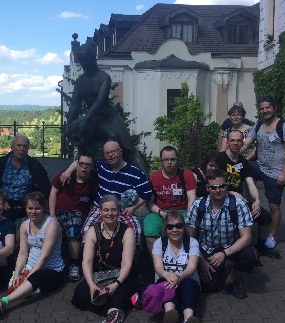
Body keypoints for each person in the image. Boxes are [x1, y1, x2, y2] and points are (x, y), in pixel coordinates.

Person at [66, 42, 146, 171]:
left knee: (128, 147)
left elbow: (100, 100)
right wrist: (69, 127)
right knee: (111, 136)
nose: (84, 64)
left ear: (93, 58)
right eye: (81, 61)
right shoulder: (80, 82)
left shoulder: (104, 77)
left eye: (86, 60)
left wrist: (86, 118)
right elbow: (74, 106)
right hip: (94, 119)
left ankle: (145, 178)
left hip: (109, 117)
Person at [61, 140, 152, 245]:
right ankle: (91, 255)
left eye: (113, 152)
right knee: (87, 230)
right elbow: (82, 162)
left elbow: (146, 192)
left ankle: (130, 256)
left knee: (136, 232)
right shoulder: (101, 167)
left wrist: (133, 208)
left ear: (120, 151)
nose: (110, 155)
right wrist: (68, 171)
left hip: (122, 211)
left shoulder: (135, 173)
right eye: (107, 153)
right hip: (99, 209)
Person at [0, 192, 65, 317]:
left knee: (34, 279)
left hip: (51, 270)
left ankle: (3, 302)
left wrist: (28, 277)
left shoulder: (52, 225)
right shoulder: (25, 225)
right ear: (25, 208)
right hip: (30, 267)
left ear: (44, 208)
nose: (33, 212)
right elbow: (23, 252)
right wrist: (17, 273)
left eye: (37, 208)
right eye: (30, 208)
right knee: (7, 277)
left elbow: (44, 257)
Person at [71, 195, 137, 323]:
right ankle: (118, 310)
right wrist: (91, 284)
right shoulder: (93, 230)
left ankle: (111, 318)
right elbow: (87, 261)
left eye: (114, 210)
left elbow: (127, 263)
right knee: (80, 294)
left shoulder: (128, 231)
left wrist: (116, 284)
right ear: (100, 212)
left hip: (122, 275)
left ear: (119, 211)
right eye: (106, 210)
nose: (110, 213)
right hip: (100, 276)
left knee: (117, 294)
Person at [185, 169, 257, 299]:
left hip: (230, 245)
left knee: (250, 255)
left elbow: (247, 237)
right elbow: (190, 237)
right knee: (211, 286)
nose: (218, 190)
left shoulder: (238, 204)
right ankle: (217, 269)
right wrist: (201, 260)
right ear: (207, 188)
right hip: (207, 248)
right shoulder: (197, 205)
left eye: (222, 186)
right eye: (213, 187)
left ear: (227, 186)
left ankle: (232, 280)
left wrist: (224, 254)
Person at [241, 96, 285, 257]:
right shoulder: (258, 126)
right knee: (240, 169)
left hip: (275, 172)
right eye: (262, 108)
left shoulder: (284, 127)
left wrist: (283, 174)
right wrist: (230, 154)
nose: (264, 111)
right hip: (260, 166)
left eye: (267, 108)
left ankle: (272, 235)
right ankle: (246, 200)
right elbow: (247, 143)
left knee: (273, 206)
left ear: (274, 108)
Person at [220, 130, 276, 258]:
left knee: (265, 216)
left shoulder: (243, 162)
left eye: (238, 141)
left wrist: (257, 200)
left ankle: (261, 246)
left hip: (240, 200)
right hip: (220, 198)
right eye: (232, 140)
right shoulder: (220, 159)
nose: (235, 143)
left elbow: (251, 184)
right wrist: (231, 192)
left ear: (242, 143)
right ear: (227, 142)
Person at [150, 211, 201, 323]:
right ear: (166, 229)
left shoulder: (192, 242)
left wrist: (180, 277)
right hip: (166, 278)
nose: (174, 230)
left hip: (186, 278)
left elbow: (191, 268)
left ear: (184, 227)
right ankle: (170, 318)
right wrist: (167, 275)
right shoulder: (159, 243)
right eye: (170, 226)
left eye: (178, 226)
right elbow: (158, 267)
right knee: (166, 285)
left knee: (189, 286)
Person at [49, 152, 98, 281]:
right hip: (59, 211)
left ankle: (74, 264)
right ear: (77, 164)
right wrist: (52, 216)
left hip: (78, 213)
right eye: (81, 164)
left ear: (92, 166)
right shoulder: (66, 174)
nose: (84, 167)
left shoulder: (93, 181)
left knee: (74, 227)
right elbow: (53, 192)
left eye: (88, 165)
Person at [0, 135, 51, 219]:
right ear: (12, 147)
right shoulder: (2, 163)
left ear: (28, 149)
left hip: (25, 204)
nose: (21, 149)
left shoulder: (34, 165)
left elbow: (45, 188)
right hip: (3, 202)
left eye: (25, 146)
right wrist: (1, 200)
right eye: (19, 145)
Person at [144, 146, 196, 254]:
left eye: (172, 159)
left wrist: (188, 214)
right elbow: (149, 203)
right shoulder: (153, 178)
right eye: (166, 160)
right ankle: (157, 259)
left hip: (181, 210)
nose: (169, 162)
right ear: (161, 161)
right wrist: (161, 213)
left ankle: (187, 256)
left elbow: (192, 198)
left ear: (177, 160)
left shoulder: (186, 174)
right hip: (161, 211)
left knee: (190, 224)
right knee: (150, 227)